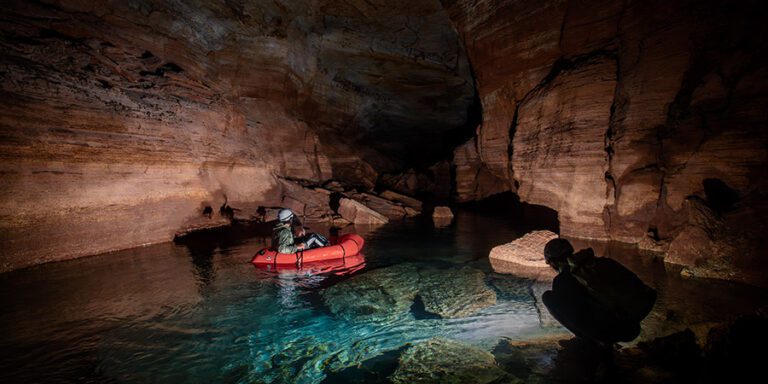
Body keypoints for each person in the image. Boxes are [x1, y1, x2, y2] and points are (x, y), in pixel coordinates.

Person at [542, 238, 657, 346]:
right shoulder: (602, 262)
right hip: (634, 325)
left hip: (611, 332)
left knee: (548, 298)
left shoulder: (563, 280)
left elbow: (576, 312)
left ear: (552, 263)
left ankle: (588, 341)